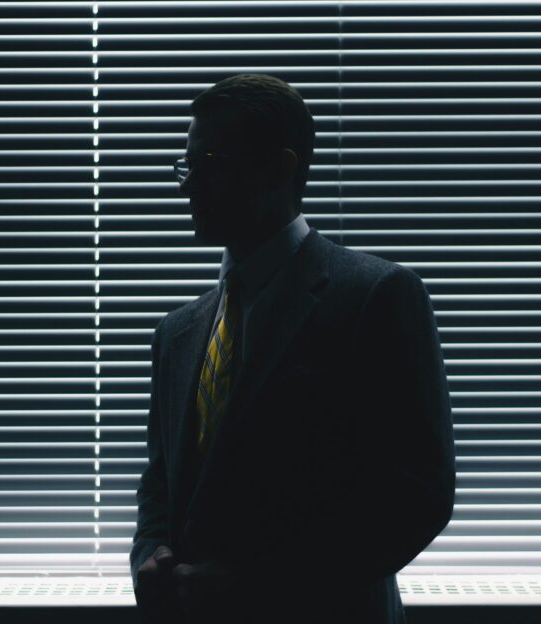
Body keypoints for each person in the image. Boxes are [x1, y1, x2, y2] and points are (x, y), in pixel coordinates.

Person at [130, 73, 456, 624]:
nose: (187, 186)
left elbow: (416, 493)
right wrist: (150, 555)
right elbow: (160, 484)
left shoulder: (376, 298)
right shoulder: (178, 332)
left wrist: (261, 584)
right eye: (187, 166)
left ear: (280, 169)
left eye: (209, 162)